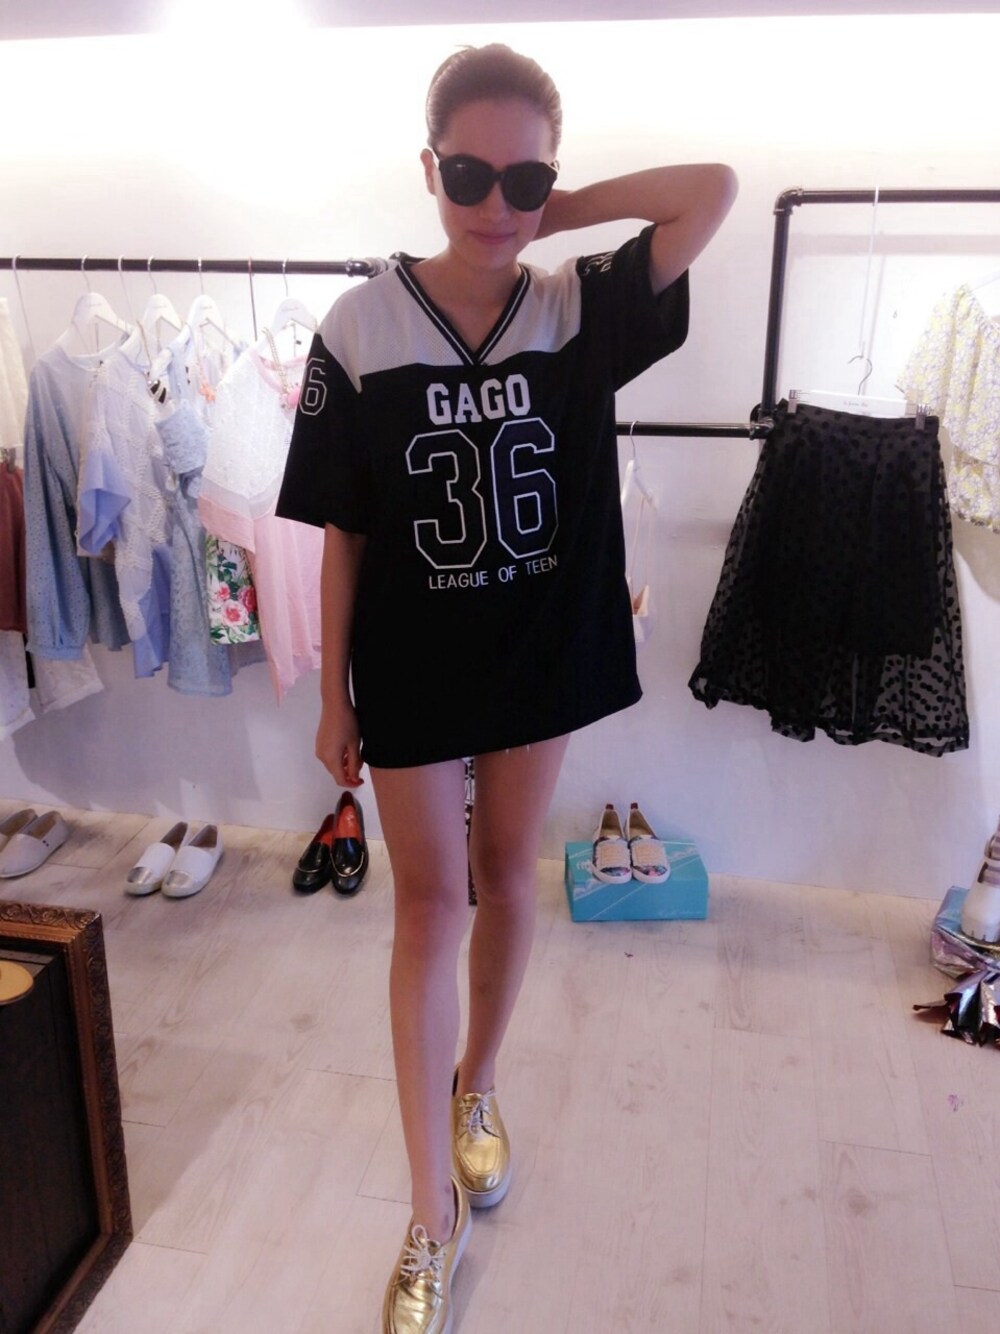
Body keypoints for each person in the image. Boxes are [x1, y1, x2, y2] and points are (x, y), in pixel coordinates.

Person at [276, 42, 737, 1334]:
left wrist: (559, 207)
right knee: (429, 907)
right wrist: (333, 698)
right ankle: (430, 1213)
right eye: (468, 174)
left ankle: (478, 1080)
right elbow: (345, 529)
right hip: (415, 663)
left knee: (509, 877)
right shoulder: (358, 327)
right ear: (426, 169)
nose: (495, 203)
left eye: (522, 177)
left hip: (542, 647)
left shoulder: (578, 306)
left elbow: (710, 188)